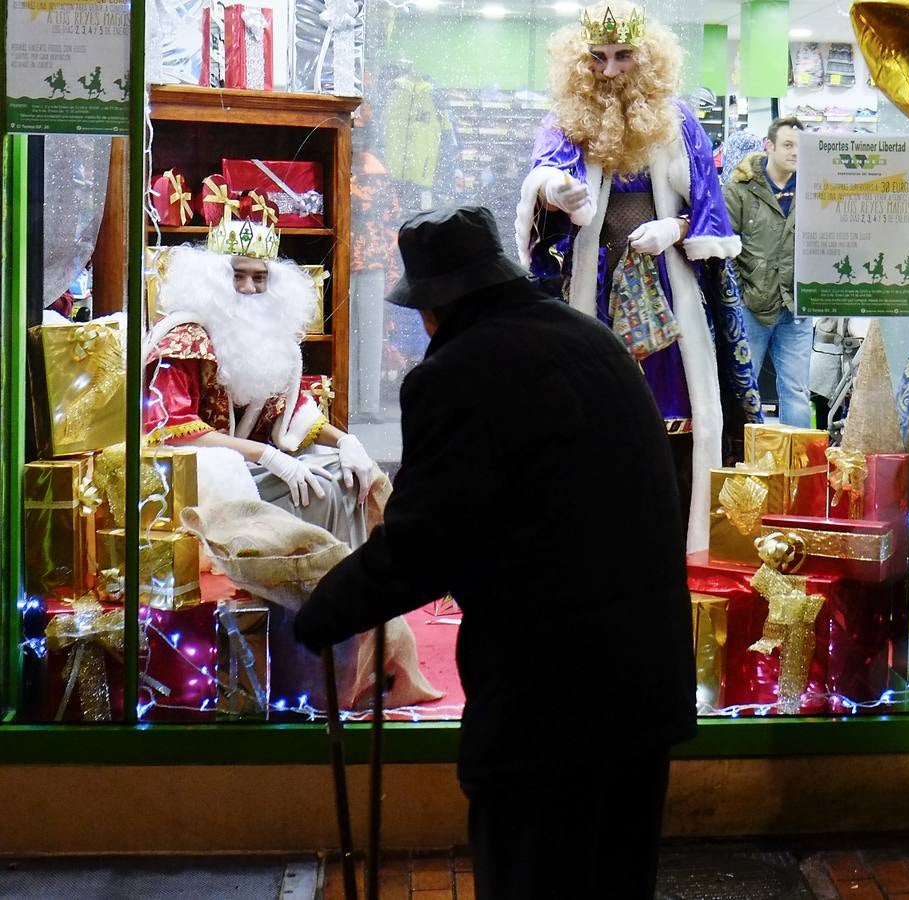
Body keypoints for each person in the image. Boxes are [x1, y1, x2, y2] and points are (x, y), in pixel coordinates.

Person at [294, 206, 697, 900]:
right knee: (616, 879)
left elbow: (427, 540)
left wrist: (324, 607)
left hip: (548, 701)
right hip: (642, 683)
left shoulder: (459, 372)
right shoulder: (593, 342)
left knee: (532, 878)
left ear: (435, 305)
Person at [514, 1, 761, 553]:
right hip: (593, 289)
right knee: (590, 411)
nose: (609, 70)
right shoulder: (565, 121)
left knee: (674, 414)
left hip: (666, 293)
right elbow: (543, 181)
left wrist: (674, 230)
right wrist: (555, 191)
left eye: (623, 55)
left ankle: (671, 540)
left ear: (645, 58)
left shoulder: (680, 121)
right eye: (597, 58)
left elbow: (708, 210)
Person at [143, 215, 377, 542]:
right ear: (211, 280)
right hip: (194, 476)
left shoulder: (262, 341)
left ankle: (345, 575)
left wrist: (345, 441)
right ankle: (316, 578)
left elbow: (286, 408)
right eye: (238, 276)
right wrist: (264, 455)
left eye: (259, 278)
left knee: (345, 474)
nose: (249, 288)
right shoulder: (183, 339)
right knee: (322, 491)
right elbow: (170, 427)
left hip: (244, 464)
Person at [722, 116, 812, 427]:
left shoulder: (816, 189)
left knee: (797, 391)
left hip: (797, 308)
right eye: (788, 145)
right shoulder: (740, 189)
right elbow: (725, 246)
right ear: (769, 145)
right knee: (743, 390)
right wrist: (741, 294)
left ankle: (799, 469)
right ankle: (742, 461)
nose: (795, 152)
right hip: (752, 308)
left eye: (800, 146)